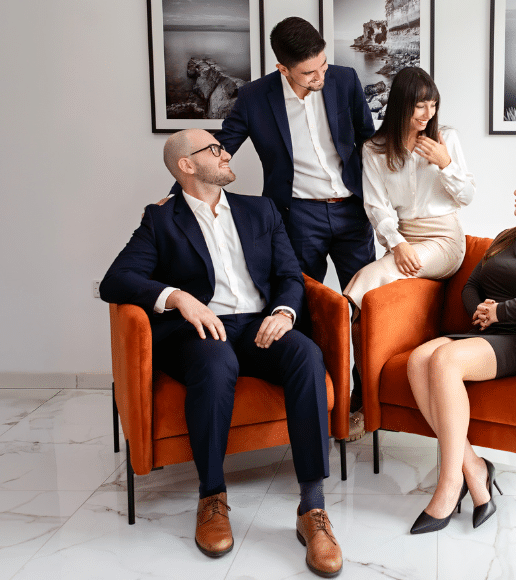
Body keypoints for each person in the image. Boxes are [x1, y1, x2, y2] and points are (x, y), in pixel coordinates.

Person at [101, 129, 342, 576]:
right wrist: (176, 297)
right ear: (186, 166)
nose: (226, 152)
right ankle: (212, 498)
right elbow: (114, 280)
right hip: (199, 332)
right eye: (213, 149)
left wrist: (286, 312)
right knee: (216, 364)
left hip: (259, 325)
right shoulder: (161, 220)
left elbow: (291, 274)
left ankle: (312, 510)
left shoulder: (260, 210)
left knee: (307, 356)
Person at [214, 16, 377, 439]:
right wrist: (178, 192)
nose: (320, 75)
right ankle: (314, 399)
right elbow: (218, 151)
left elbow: (367, 139)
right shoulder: (254, 98)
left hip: (352, 211)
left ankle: (361, 399)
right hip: (296, 216)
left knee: (363, 308)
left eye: (323, 64)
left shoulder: (344, 80)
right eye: (309, 71)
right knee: (301, 307)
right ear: (282, 69)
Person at [404, 166, 516, 535]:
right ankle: (474, 468)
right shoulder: (506, 237)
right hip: (487, 331)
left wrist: (504, 310)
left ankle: (450, 483)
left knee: (444, 360)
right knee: (417, 359)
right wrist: (481, 312)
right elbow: (471, 283)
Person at [342, 67, 475, 410]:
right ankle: (355, 372)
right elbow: (376, 205)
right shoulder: (375, 149)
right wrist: (396, 242)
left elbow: (466, 197)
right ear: (401, 104)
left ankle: (340, 312)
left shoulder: (446, 139)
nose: (428, 114)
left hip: (445, 241)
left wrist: (446, 164)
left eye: (433, 105)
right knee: (381, 275)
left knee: (378, 273)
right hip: (404, 239)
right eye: (420, 106)